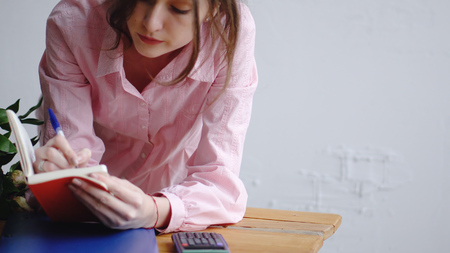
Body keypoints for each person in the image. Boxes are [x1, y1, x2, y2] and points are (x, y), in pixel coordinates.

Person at [33, 0, 257, 233]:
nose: (151, 24)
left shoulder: (231, 32)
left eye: (179, 8)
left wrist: (154, 211)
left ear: (214, 8)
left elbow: (220, 181)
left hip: (174, 202)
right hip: (84, 213)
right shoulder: (74, 22)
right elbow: (74, 154)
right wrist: (69, 176)